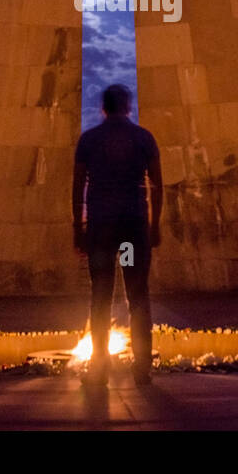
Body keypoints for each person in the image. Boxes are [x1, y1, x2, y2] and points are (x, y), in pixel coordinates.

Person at [72, 84, 162, 386]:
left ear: (103, 108)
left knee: (100, 296)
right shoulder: (143, 138)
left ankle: (98, 367)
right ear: (128, 107)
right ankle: (142, 368)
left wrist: (78, 227)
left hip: (101, 228)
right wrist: (155, 224)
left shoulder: (89, 140)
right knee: (138, 295)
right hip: (133, 227)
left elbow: (78, 187)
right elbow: (157, 185)